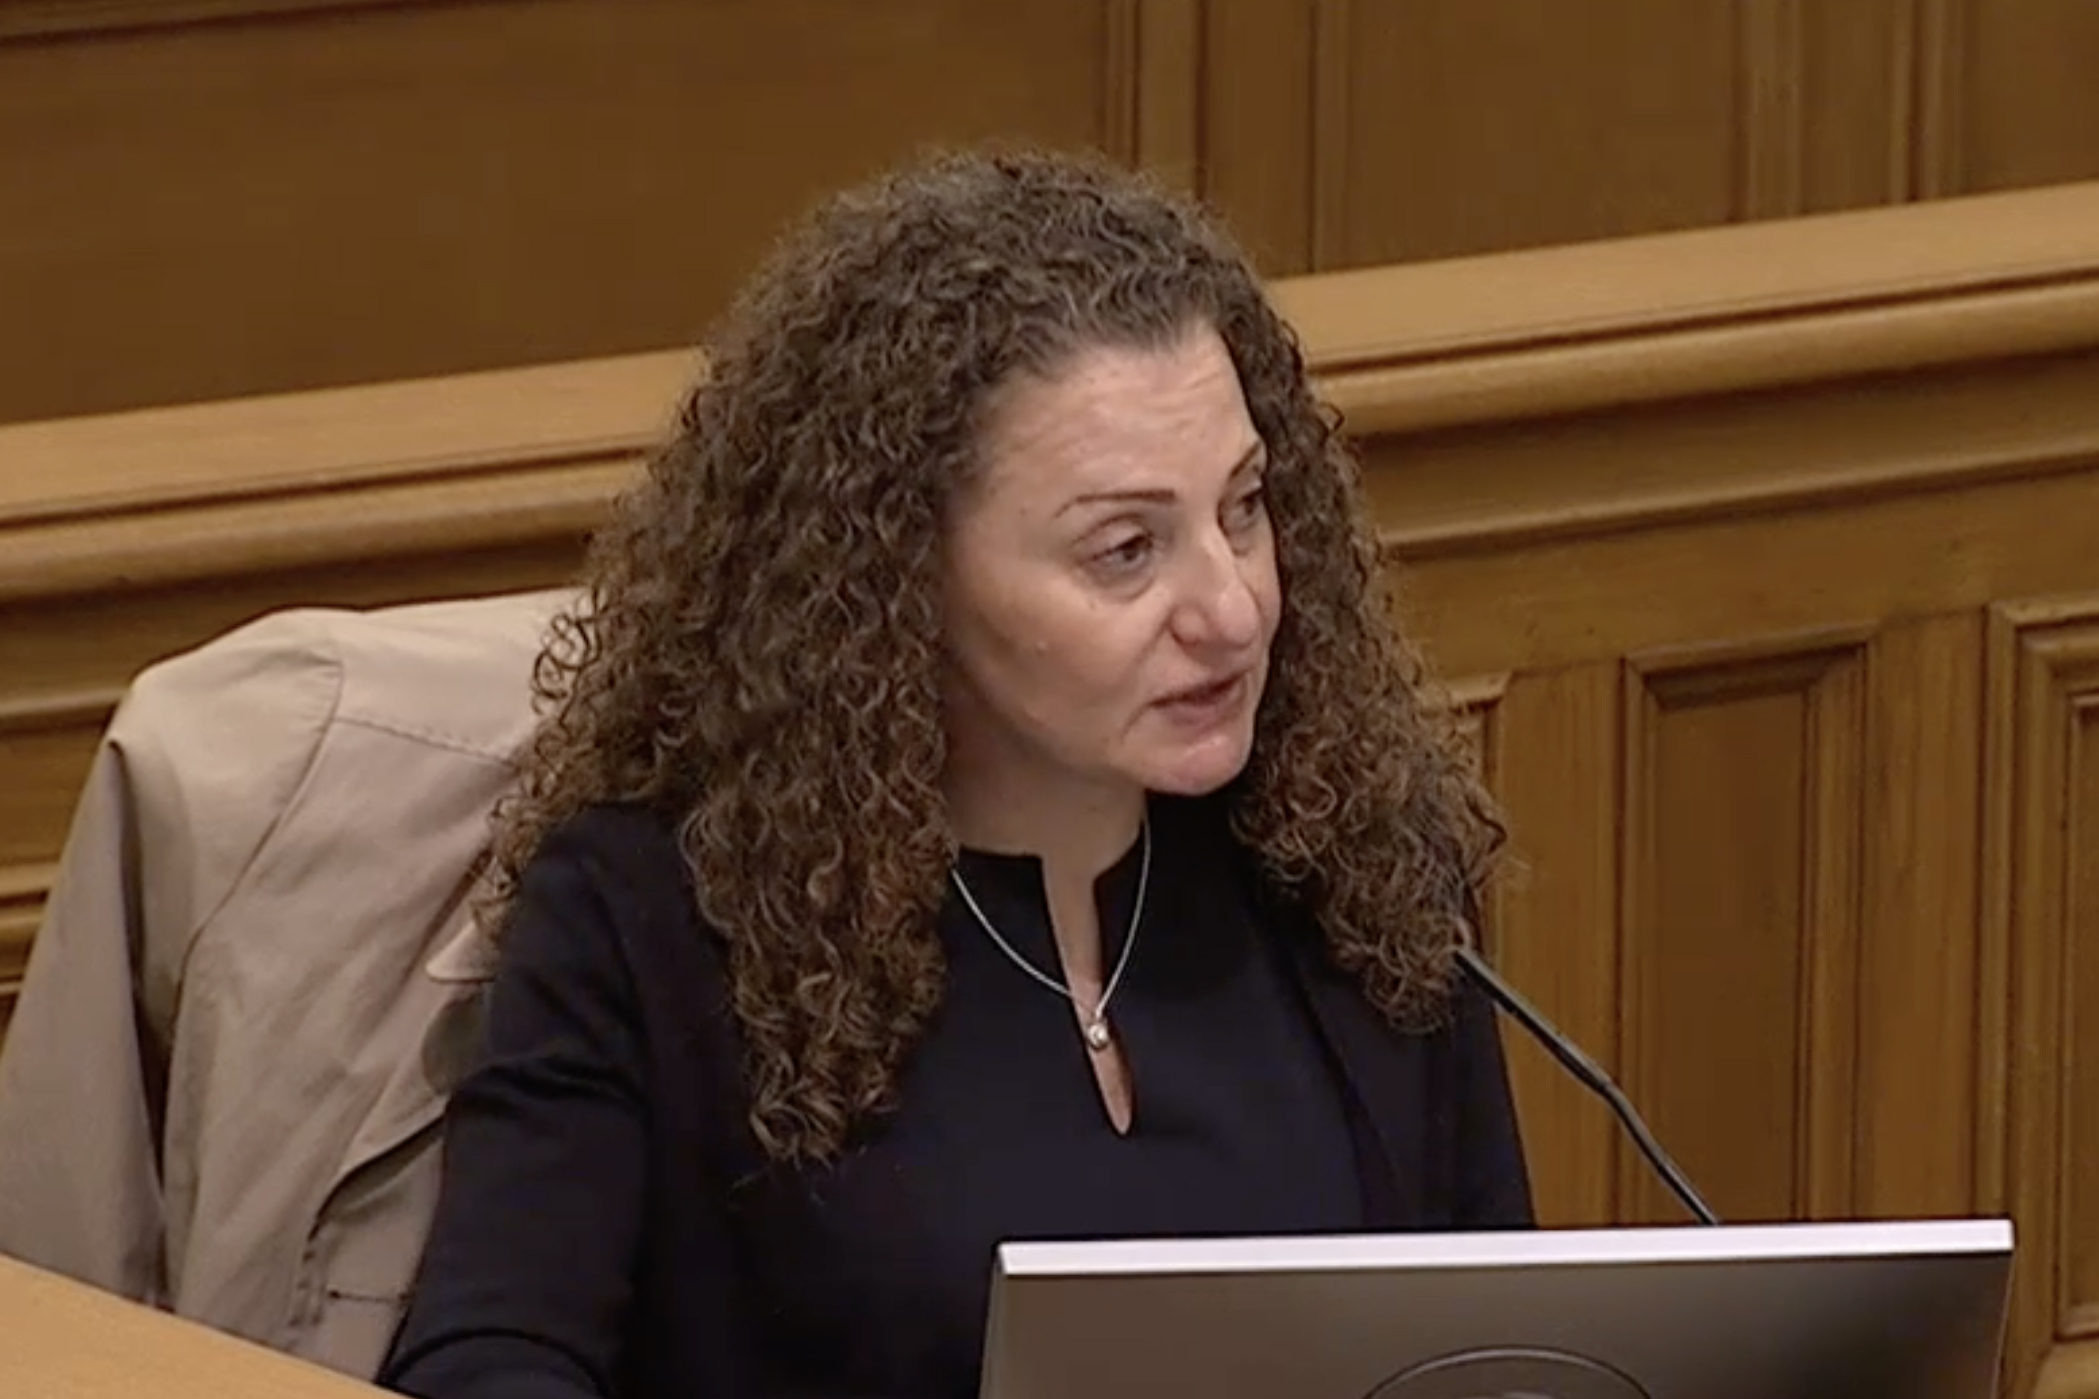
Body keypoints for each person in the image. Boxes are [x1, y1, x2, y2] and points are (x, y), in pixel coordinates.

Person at [378, 146, 1531, 1399]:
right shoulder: (654, 918)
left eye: (1243, 508)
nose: (1234, 608)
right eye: (1125, 550)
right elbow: (487, 1364)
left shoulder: (1349, 863)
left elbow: (1493, 1349)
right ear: (900, 581)